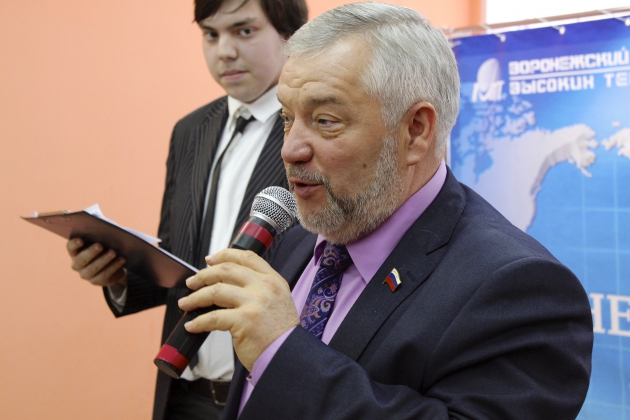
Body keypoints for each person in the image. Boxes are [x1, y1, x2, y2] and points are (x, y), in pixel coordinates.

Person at [178, 3, 594, 419]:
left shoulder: (520, 289)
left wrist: (282, 352)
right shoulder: (296, 234)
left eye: (325, 121)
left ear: (415, 131)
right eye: (288, 118)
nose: (290, 149)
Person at [65, 1, 307, 419]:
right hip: (182, 393)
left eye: (244, 30)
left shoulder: (312, 132)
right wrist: (119, 275)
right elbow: (182, 264)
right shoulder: (190, 131)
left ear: (291, 36)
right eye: (210, 34)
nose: (224, 51)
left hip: (267, 396)